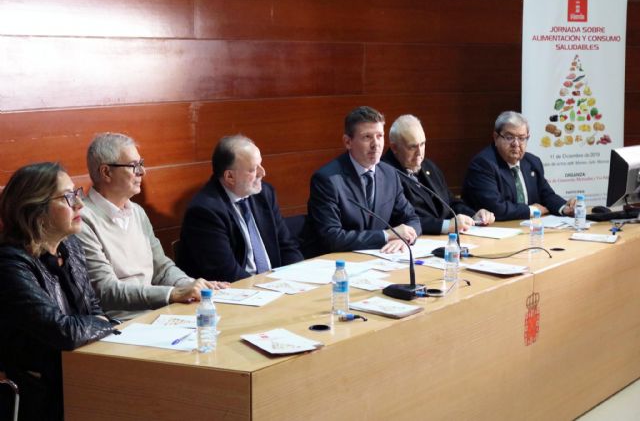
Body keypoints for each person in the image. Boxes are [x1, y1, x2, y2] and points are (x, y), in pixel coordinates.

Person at [0, 162, 117, 421]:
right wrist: (104, 324)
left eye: (76, 193)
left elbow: (92, 309)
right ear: (36, 210)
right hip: (38, 389)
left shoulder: (70, 246)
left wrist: (101, 322)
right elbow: (63, 332)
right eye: (67, 197)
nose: (79, 204)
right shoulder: (10, 264)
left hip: (78, 370)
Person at [77, 133, 228, 320]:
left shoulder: (137, 211)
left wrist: (193, 285)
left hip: (157, 314)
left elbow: (162, 269)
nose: (142, 171)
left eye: (141, 164)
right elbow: (106, 290)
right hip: (119, 323)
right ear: (106, 172)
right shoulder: (82, 220)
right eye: (134, 165)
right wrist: (172, 294)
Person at [177, 135, 303, 282]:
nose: (263, 173)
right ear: (230, 177)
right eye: (253, 169)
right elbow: (225, 273)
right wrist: (269, 286)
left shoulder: (264, 194)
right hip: (238, 290)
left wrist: (298, 278)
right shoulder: (205, 212)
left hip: (274, 284)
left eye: (260, 164)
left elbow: (287, 247)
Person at [302, 106, 421, 257]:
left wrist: (404, 239)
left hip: (380, 259)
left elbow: (412, 219)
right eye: (367, 137)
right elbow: (332, 237)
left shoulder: (389, 174)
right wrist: (386, 235)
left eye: (380, 136)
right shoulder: (327, 180)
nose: (376, 144)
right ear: (348, 142)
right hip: (338, 262)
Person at [382, 114, 495, 235]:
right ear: (394, 148)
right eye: (412, 147)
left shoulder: (428, 165)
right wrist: (446, 226)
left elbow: (450, 202)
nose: (419, 152)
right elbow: (400, 220)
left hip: (446, 238)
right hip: (418, 240)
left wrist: (474, 215)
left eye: (422, 144)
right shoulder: (385, 173)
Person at [462, 111, 576, 221]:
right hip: (496, 229)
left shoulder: (532, 162)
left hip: (529, 228)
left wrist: (564, 208)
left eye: (521, 138)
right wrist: (532, 210)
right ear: (496, 137)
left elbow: (547, 195)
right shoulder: (483, 164)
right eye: (509, 137)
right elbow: (494, 207)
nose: (516, 144)